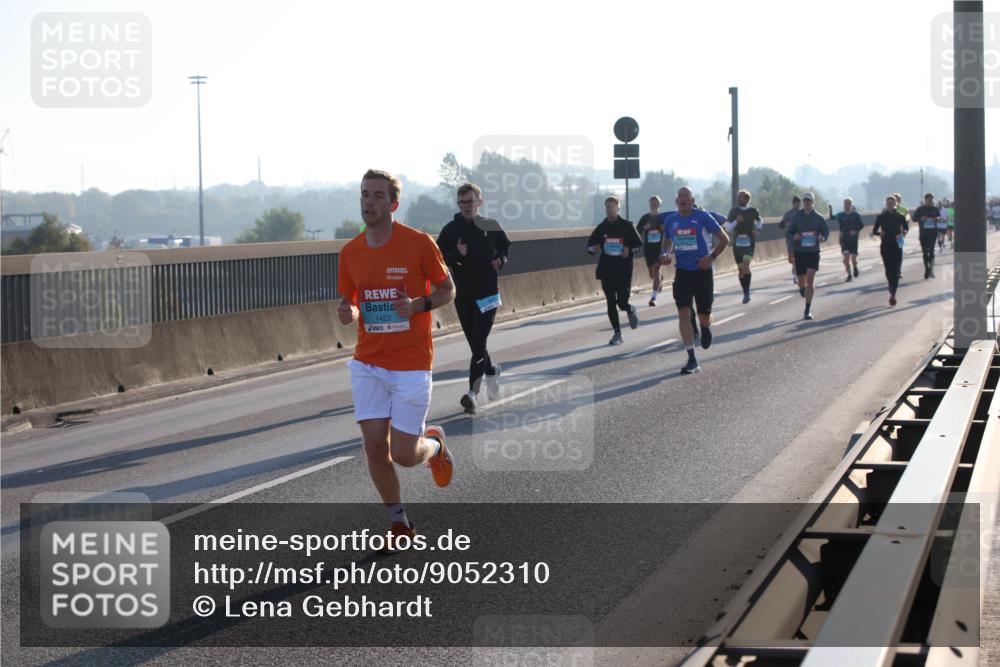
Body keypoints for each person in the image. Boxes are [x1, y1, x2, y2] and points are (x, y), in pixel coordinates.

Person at [338, 169, 456, 550]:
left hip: (411, 363)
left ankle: (435, 445)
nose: (368, 202)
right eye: (363, 194)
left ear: (393, 204)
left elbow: (447, 290)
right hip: (369, 362)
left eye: (376, 195)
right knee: (375, 445)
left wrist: (417, 306)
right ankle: (398, 522)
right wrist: (350, 313)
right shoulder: (350, 252)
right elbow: (352, 301)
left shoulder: (418, 244)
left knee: (404, 455)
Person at [436, 182, 511, 415]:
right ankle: (491, 370)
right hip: (464, 294)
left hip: (488, 293)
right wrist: (456, 254)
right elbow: (438, 260)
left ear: (480, 201)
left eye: (470, 201)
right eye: (462, 202)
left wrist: (501, 260)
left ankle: (472, 393)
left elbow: (505, 248)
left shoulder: (492, 226)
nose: (466, 206)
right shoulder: (450, 230)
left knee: (479, 343)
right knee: (475, 343)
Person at [659, 186, 729, 374]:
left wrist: (710, 258)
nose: (682, 199)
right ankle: (691, 358)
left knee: (703, 315)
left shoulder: (703, 217)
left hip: (702, 271)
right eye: (679, 196)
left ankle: (705, 327)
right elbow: (667, 240)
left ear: (692, 199)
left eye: (686, 196)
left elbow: (724, 239)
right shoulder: (670, 220)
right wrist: (665, 252)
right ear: (676, 201)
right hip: (682, 272)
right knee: (683, 312)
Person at [587, 196, 643, 345]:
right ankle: (617, 333)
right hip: (607, 270)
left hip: (623, 270)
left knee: (622, 303)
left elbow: (639, 245)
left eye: (612, 206)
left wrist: (628, 249)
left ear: (618, 208)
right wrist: (594, 249)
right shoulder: (601, 228)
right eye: (607, 207)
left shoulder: (627, 226)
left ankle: (630, 309)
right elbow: (589, 247)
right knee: (610, 302)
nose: (609, 209)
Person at [787, 192, 830, 320]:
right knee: (802, 280)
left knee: (810, 278)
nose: (807, 202)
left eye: (809, 200)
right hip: (800, 252)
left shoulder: (819, 217)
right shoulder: (796, 217)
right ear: (802, 202)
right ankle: (802, 288)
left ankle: (807, 309)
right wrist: (794, 237)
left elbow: (826, 232)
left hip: (813, 251)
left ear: (813, 202)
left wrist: (822, 237)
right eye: (805, 200)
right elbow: (789, 232)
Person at [725, 189, 763, 303]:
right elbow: (728, 228)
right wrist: (736, 221)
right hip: (737, 244)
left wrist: (758, 229)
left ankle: (747, 293)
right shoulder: (733, 211)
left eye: (740, 197)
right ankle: (745, 290)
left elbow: (760, 220)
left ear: (746, 199)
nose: (738, 199)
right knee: (741, 270)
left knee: (746, 266)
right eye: (737, 197)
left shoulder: (752, 211)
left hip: (749, 243)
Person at [872, 195, 909, 306]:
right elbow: (874, 231)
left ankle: (893, 294)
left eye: (892, 203)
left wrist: (904, 232)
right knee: (888, 270)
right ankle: (890, 284)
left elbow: (906, 228)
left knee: (896, 271)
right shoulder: (881, 217)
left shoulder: (900, 216)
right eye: (888, 203)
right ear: (886, 204)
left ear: (895, 204)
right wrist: (880, 233)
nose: (890, 205)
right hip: (886, 245)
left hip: (897, 245)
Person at [637, 196, 666, 306]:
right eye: (652, 203)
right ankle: (659, 280)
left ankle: (653, 298)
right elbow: (637, 231)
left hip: (660, 248)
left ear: (659, 205)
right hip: (648, 248)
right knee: (652, 275)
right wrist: (645, 227)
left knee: (656, 270)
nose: (653, 205)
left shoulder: (663, 217)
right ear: (649, 205)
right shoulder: (645, 217)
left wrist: (664, 228)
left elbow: (670, 231)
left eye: (655, 203)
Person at [829, 198, 864, 281]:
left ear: (852, 205)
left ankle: (855, 266)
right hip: (844, 239)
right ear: (843, 205)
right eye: (845, 204)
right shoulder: (841, 215)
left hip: (853, 240)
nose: (847, 206)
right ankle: (849, 275)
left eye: (849, 204)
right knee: (846, 259)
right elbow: (832, 218)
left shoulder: (856, 215)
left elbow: (861, 225)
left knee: (854, 259)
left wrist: (855, 231)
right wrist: (830, 209)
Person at [912, 193, 942, 280]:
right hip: (923, 234)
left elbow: (939, 217)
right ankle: (927, 269)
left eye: (931, 200)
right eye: (928, 200)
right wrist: (921, 218)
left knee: (931, 252)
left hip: (933, 233)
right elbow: (914, 219)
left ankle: (931, 269)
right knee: (925, 252)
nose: (930, 202)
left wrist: (936, 219)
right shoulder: (920, 209)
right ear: (925, 200)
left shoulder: (935, 209)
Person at [779, 196, 802, 284]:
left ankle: (796, 275)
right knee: (791, 259)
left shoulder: (802, 212)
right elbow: (780, 225)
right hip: (790, 237)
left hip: (800, 237)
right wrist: (785, 224)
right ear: (793, 204)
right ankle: (794, 267)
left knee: (799, 257)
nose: (798, 206)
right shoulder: (788, 213)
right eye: (797, 204)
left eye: (799, 204)